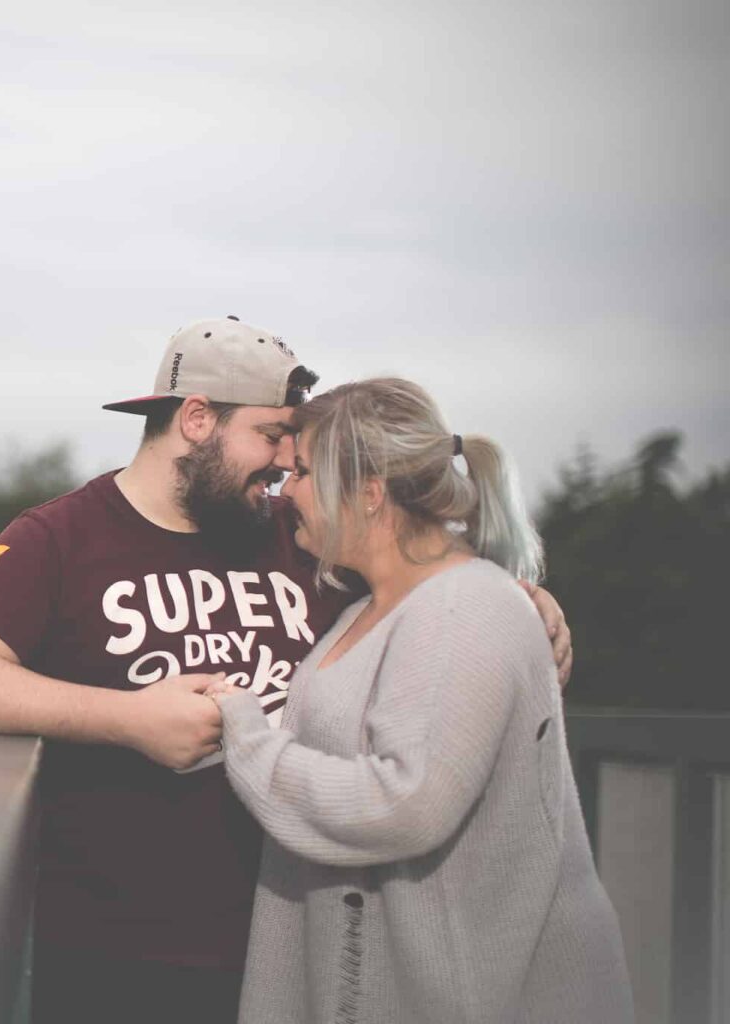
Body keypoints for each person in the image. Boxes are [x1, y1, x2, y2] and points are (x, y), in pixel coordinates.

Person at [0, 320, 574, 1023]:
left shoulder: (302, 529)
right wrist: (127, 717)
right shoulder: (59, 537)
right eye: (270, 434)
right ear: (197, 419)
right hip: (116, 958)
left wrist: (528, 601)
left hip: (300, 950)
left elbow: (429, 583)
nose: (286, 460)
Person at [212, 377, 630, 1023]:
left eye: (300, 473)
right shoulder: (366, 609)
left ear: (369, 493)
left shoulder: (465, 607)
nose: (284, 489)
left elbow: (403, 805)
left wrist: (242, 729)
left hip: (464, 996)